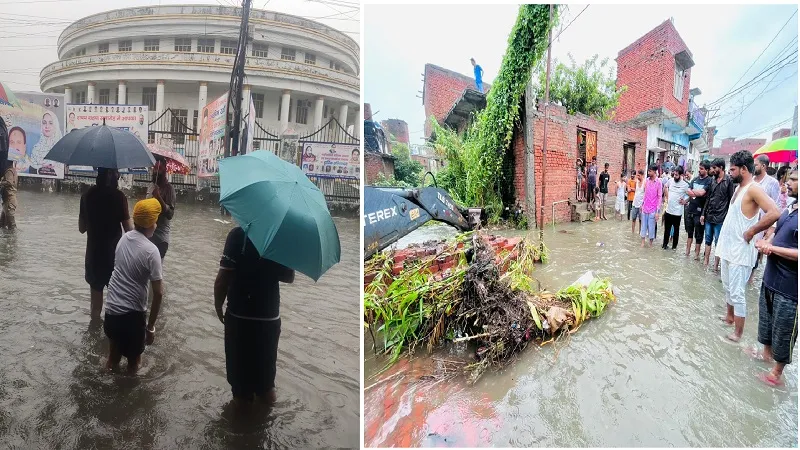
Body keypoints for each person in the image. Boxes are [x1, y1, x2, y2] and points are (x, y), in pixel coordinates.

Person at [214, 226, 295, 405]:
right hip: (269, 318)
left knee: (240, 389)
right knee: (266, 385)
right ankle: (264, 426)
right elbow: (289, 276)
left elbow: (222, 279)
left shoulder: (238, 235)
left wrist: (218, 305)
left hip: (239, 317)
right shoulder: (280, 238)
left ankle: (243, 428)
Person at [715, 151, 780, 343]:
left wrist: (752, 231)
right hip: (728, 248)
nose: (729, 172)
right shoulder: (739, 188)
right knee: (727, 287)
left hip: (741, 252)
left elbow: (774, 212)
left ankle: (738, 334)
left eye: (733, 169)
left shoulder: (754, 188)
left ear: (744, 169)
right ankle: (729, 317)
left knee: (737, 293)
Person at [749, 169, 798, 387]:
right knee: (767, 322)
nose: (788, 184)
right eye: (789, 180)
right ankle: (765, 355)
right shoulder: (790, 208)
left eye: (795, 180)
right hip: (771, 277)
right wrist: (767, 237)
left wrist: (772, 248)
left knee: (784, 328)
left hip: (790, 287)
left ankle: (776, 374)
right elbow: (776, 228)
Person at [103, 198, 164, 375]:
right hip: (132, 316)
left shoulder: (123, 239)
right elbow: (159, 293)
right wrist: (150, 327)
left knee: (112, 358)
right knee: (134, 364)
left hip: (111, 311)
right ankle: (127, 397)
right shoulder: (151, 251)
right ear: (152, 223)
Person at [79, 168, 133, 319]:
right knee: (116, 304)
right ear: (111, 174)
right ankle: (110, 340)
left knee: (95, 308)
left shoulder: (87, 195)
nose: (119, 175)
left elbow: (81, 229)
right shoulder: (119, 197)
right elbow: (129, 230)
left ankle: (94, 334)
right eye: (116, 171)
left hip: (93, 256)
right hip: (114, 259)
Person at [749, 154, 781, 285]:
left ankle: (750, 278)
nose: (754, 167)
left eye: (756, 164)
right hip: (749, 221)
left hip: (762, 224)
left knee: (756, 250)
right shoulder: (751, 181)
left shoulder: (772, 183)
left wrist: (771, 228)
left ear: (763, 166)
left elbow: (777, 206)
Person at [701, 158, 735, 271]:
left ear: (721, 168)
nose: (712, 170)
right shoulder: (712, 180)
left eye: (714, 168)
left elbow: (731, 201)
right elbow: (708, 198)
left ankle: (715, 266)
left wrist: (729, 219)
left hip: (721, 218)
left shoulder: (729, 181)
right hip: (709, 216)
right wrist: (703, 214)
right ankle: (705, 261)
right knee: (708, 240)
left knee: (718, 242)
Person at [146, 160, 176, 260]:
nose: (156, 171)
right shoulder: (151, 186)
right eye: (154, 168)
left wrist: (159, 197)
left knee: (155, 271)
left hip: (160, 239)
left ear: (165, 170)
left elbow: (170, 214)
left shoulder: (169, 189)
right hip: (148, 236)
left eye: (159, 168)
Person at [684, 161, 712, 259]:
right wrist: (697, 193)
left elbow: (702, 193)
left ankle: (696, 255)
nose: (699, 170)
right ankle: (687, 253)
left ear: (707, 170)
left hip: (700, 213)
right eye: (699, 168)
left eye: (702, 169)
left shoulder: (709, 181)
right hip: (690, 210)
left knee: (699, 235)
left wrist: (694, 192)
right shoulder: (695, 179)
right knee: (689, 233)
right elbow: (687, 191)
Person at [662, 166, 689, 250]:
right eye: (674, 174)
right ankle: (664, 245)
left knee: (676, 231)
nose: (675, 176)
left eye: (677, 175)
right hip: (669, 210)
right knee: (666, 230)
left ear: (681, 175)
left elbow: (691, 195)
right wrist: (667, 196)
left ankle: (674, 247)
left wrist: (685, 201)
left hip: (677, 213)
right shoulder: (670, 181)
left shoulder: (685, 185)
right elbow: (665, 187)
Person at [640, 164, 662, 247]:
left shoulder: (659, 182)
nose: (648, 172)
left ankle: (650, 244)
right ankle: (642, 243)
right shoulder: (647, 181)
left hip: (653, 209)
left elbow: (659, 197)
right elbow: (645, 194)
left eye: (650, 171)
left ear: (654, 171)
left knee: (651, 228)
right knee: (643, 227)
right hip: (645, 208)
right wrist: (642, 204)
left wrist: (657, 212)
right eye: (648, 171)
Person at [630, 170, 645, 234]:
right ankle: (632, 232)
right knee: (633, 219)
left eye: (638, 175)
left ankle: (640, 233)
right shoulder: (636, 182)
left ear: (642, 175)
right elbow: (636, 190)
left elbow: (646, 194)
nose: (637, 177)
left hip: (641, 205)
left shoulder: (645, 183)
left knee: (640, 220)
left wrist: (643, 205)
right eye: (637, 175)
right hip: (634, 203)